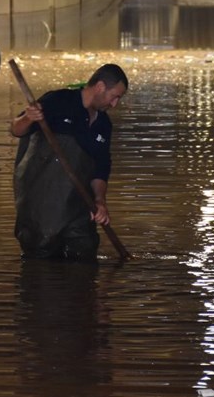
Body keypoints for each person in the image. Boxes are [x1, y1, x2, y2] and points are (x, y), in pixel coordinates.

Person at [11, 64, 129, 261]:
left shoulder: (103, 124)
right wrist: (28, 118)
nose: (115, 104)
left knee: (84, 257)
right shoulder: (57, 101)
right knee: (41, 263)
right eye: (114, 96)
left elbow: (101, 167)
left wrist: (100, 201)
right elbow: (16, 130)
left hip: (79, 207)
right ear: (100, 87)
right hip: (42, 207)